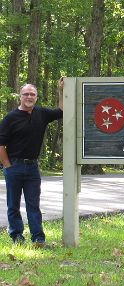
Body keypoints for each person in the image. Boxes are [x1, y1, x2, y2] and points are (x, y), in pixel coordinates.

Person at [0, 79, 64, 247]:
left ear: (36, 97)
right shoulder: (10, 118)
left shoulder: (41, 114)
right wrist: (7, 166)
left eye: (32, 94)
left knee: (33, 205)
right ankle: (17, 237)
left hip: (33, 168)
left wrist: (60, 89)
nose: (29, 96)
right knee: (13, 205)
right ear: (20, 97)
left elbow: (62, 111)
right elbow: (0, 144)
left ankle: (38, 239)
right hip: (14, 166)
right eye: (26, 94)